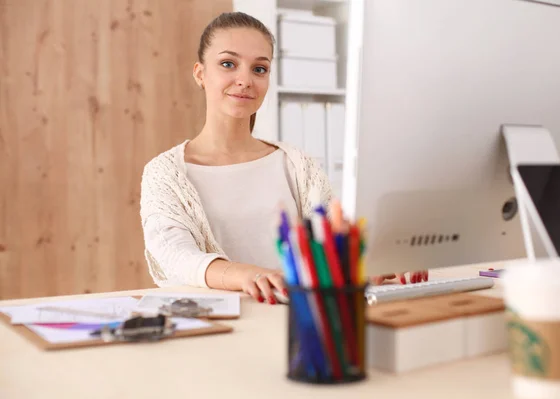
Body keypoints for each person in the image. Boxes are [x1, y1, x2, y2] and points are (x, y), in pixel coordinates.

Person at [140, 12, 427, 305]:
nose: (245, 80)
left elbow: (334, 239)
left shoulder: (296, 164)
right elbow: (176, 255)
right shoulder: (165, 173)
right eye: (228, 64)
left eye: (259, 69)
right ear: (200, 74)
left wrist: (380, 260)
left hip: (300, 319)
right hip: (221, 329)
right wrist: (248, 276)